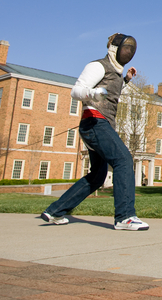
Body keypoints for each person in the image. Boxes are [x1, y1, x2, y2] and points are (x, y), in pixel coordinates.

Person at [41, 33, 149, 231]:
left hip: (100, 124)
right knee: (123, 159)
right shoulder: (98, 65)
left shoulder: (115, 73)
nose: (128, 53)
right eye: (125, 49)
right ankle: (125, 216)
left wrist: (126, 80)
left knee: (98, 175)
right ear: (114, 49)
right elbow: (76, 90)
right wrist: (92, 93)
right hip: (94, 122)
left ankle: (55, 211)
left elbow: (110, 92)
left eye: (131, 50)